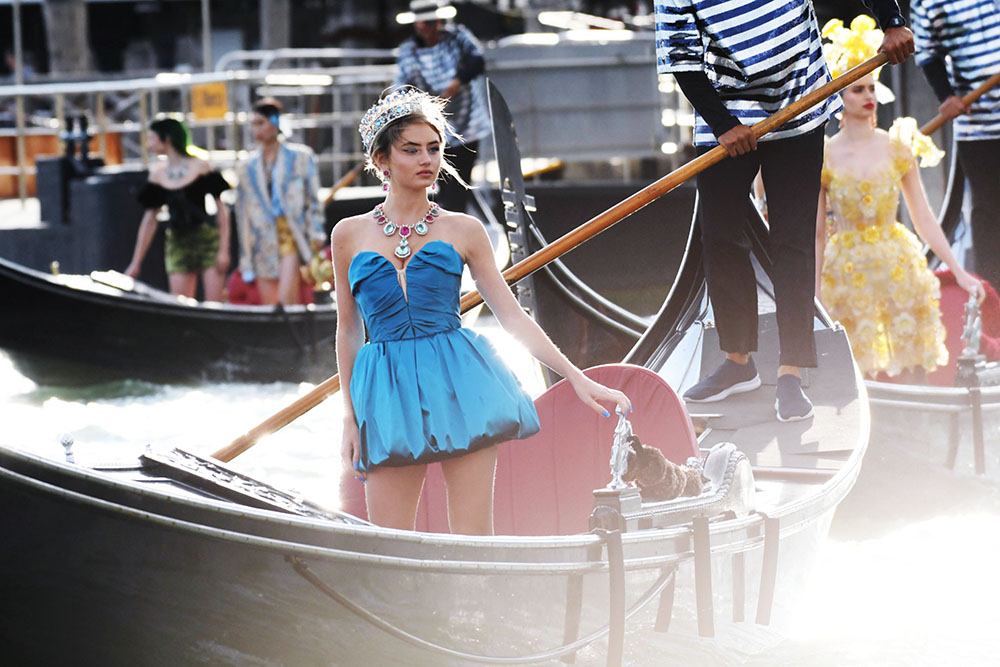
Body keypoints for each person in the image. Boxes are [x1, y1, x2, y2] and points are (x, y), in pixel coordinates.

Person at [332, 88, 631, 534]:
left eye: (434, 148)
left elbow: (511, 316)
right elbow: (348, 332)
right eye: (411, 150)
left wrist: (575, 376)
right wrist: (350, 419)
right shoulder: (347, 234)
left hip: (459, 387)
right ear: (382, 160)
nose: (426, 159)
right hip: (385, 394)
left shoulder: (464, 229)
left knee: (475, 542)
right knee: (390, 542)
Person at [653, 0, 914, 421]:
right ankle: (739, 362)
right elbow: (682, 56)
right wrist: (724, 125)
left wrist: (892, 21)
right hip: (725, 114)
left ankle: (791, 371)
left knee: (791, 239)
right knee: (719, 237)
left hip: (801, 102)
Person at [815, 16, 983, 381]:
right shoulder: (823, 156)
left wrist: (957, 271)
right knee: (856, 376)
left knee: (911, 369)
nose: (868, 96)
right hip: (845, 272)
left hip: (897, 268)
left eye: (872, 88)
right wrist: (814, 297)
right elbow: (816, 235)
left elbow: (923, 218)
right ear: (839, 96)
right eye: (857, 89)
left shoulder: (897, 147)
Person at [911, 0, 1000, 293]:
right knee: (988, 212)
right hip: (977, 126)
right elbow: (927, 53)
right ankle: (994, 301)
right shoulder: (924, 2)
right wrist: (946, 96)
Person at [394, 0, 490, 214]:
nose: (426, 29)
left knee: (461, 179)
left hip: (468, 123)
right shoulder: (408, 51)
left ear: (438, 22)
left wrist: (457, 81)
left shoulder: (457, 37)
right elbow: (401, 86)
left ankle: (458, 225)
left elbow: (477, 61)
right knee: (443, 183)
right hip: (434, 128)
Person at [126, 117, 231, 301]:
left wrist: (223, 249)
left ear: (167, 139)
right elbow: (150, 219)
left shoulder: (200, 166)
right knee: (181, 302)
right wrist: (136, 262)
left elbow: (222, 210)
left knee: (214, 304)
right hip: (177, 242)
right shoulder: (158, 175)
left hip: (206, 239)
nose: (149, 145)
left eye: (152, 138)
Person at [234, 97, 326, 305]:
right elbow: (242, 213)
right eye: (253, 124)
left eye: (261, 122)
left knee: (287, 301)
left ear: (275, 123)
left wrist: (316, 232)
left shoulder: (301, 157)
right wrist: (245, 255)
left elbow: (313, 199)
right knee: (271, 304)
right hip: (261, 239)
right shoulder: (246, 167)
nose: (256, 129)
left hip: (291, 234)